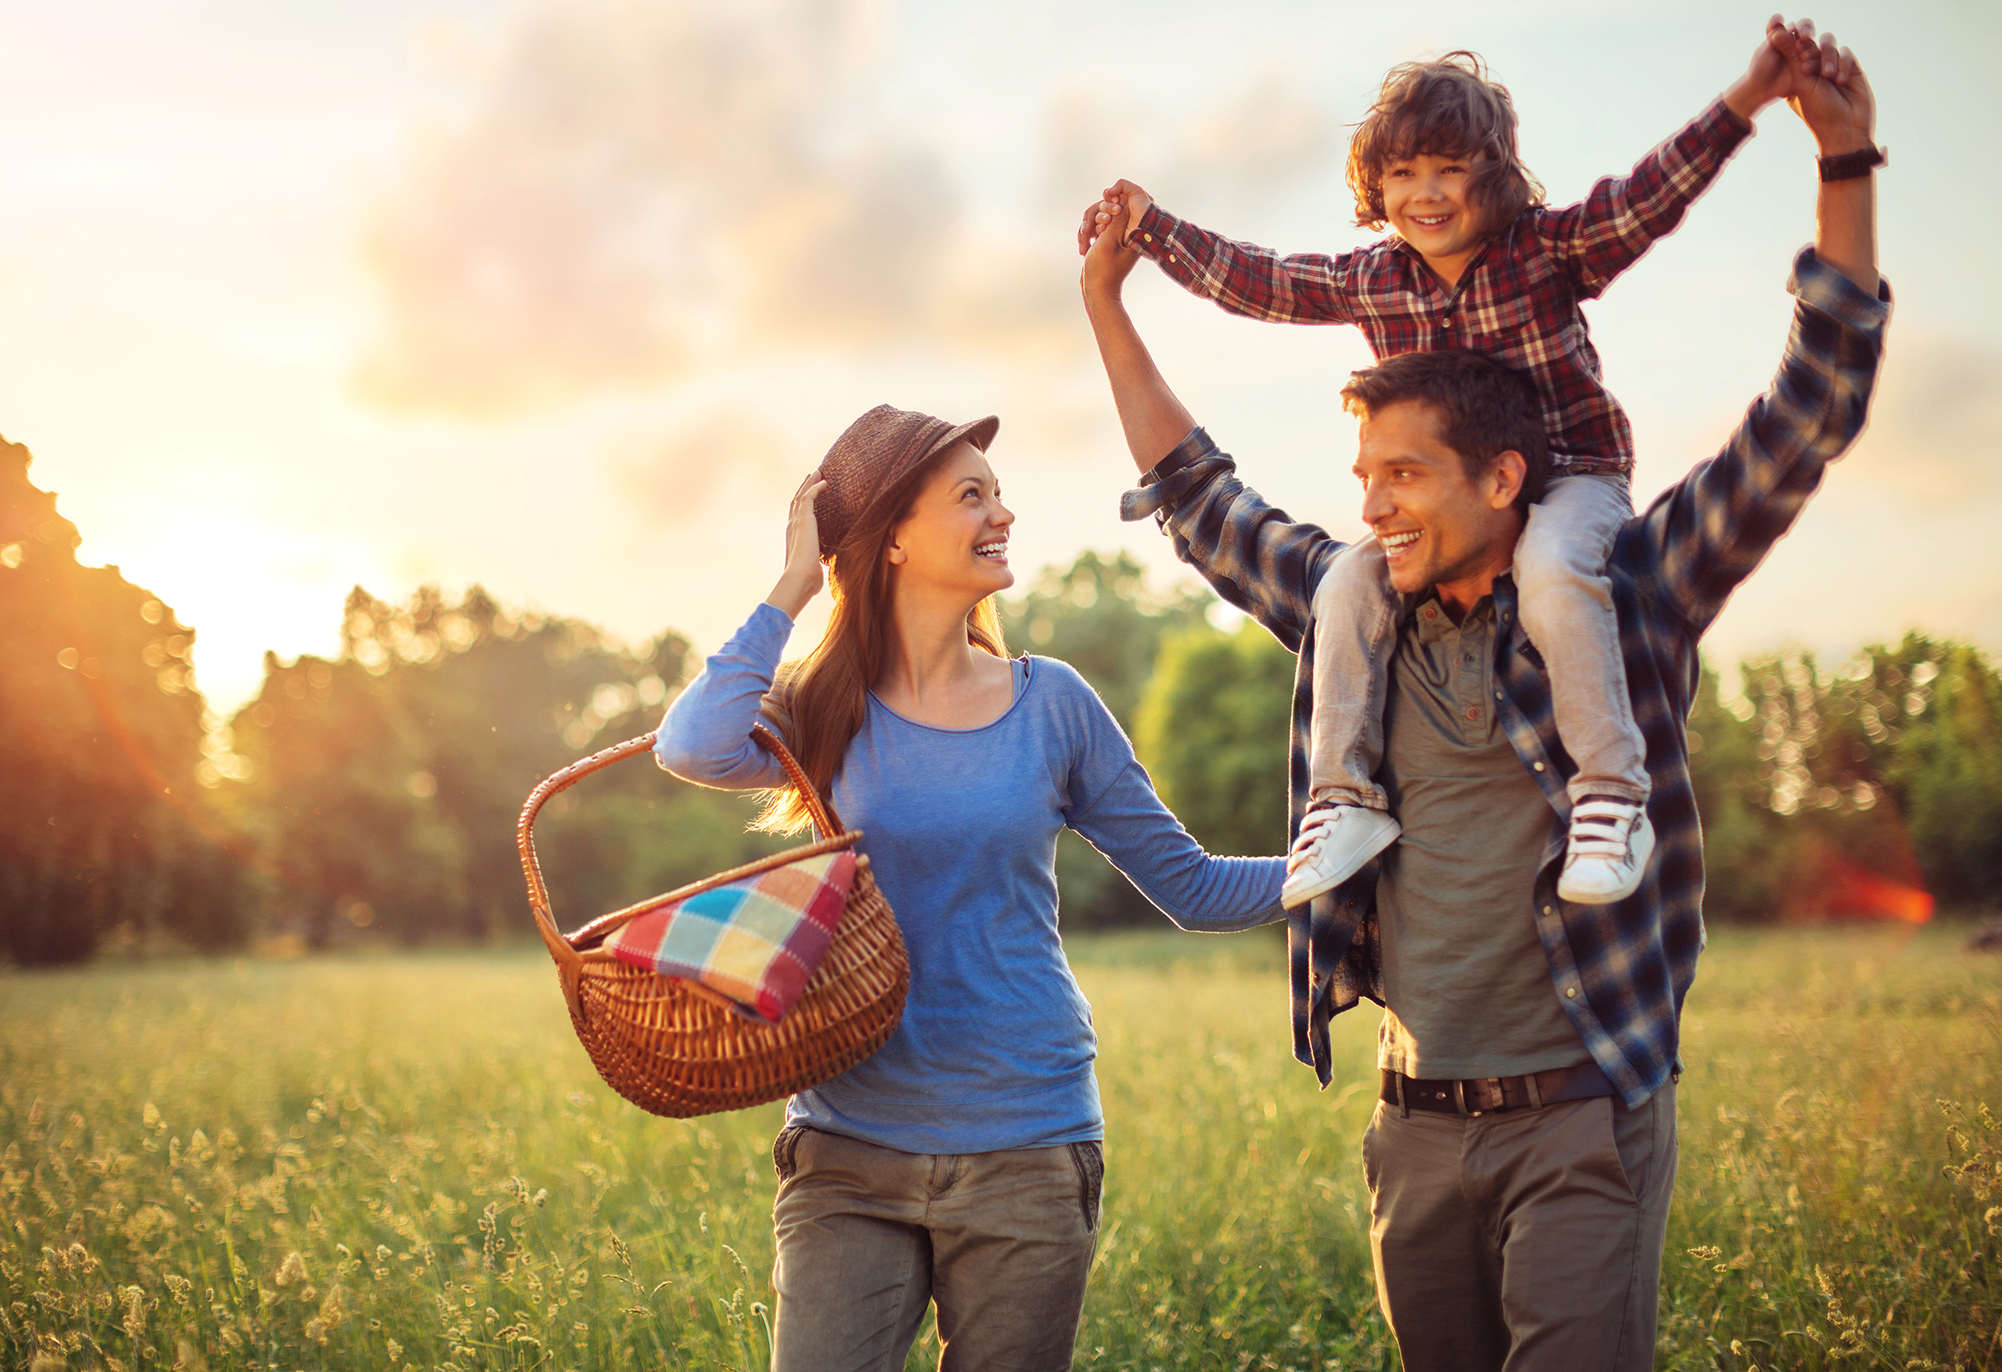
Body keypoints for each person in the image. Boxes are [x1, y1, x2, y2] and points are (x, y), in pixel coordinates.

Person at [1077, 22, 1884, 1371]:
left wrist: (1843, 159)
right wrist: (1110, 299)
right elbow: (1200, 499)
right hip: (1410, 1123)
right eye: (1363, 472)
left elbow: (1812, 403)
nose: (1367, 503)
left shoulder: (1628, 594)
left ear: (1501, 478)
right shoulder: (1358, 610)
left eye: (1400, 475)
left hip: (1581, 1116)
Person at [1078, 17, 1817, 909]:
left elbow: (1646, 197)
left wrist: (1746, 100)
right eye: (1403, 174)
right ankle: (1346, 798)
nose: (1426, 194)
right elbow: (1261, 279)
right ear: (1376, 185)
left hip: (1571, 482)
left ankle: (1613, 791)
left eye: (1450, 169)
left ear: (1494, 174)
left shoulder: (1545, 250)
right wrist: (1152, 229)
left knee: (1549, 572)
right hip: (1448, 521)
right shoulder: (1375, 280)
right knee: (1347, 586)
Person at [652, 404, 1288, 1371]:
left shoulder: (1054, 706)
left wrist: (1342, 862)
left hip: (1028, 1148)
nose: (1004, 514)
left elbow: (1191, 888)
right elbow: (690, 744)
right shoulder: (822, 709)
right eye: (971, 496)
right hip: (846, 1149)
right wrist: (794, 583)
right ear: (894, 539)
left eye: (998, 492)